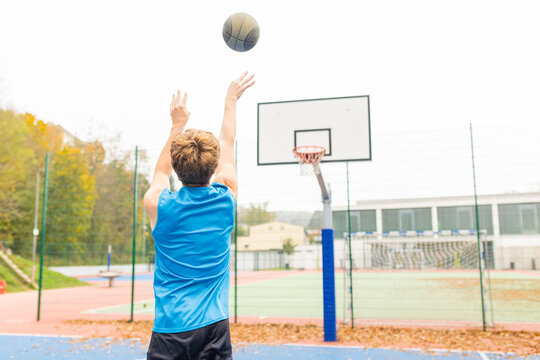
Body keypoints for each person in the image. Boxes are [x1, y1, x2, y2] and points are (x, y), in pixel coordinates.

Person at [144, 72, 255, 360]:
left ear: (177, 168)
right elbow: (228, 143)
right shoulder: (226, 198)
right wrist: (231, 99)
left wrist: (177, 125)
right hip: (214, 328)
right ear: (213, 166)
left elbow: (159, 174)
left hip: (170, 330)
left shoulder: (159, 205)